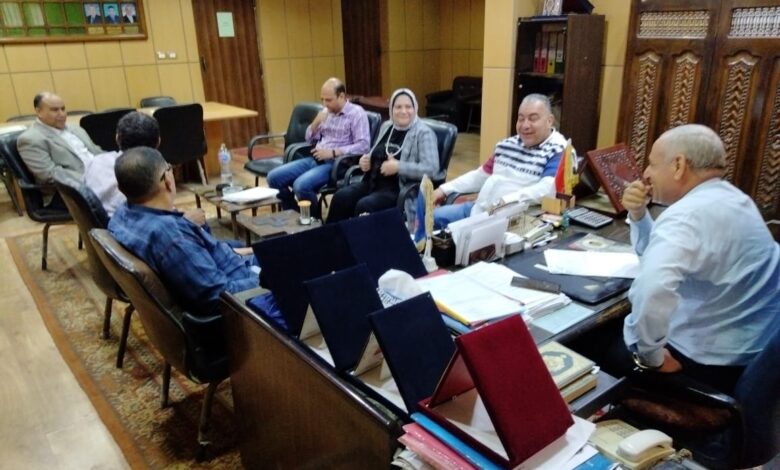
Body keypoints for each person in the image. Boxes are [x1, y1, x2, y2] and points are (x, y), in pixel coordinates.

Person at [618, 124, 780, 394]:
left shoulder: (685, 217)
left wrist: (651, 357)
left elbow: (652, 289)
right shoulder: (737, 199)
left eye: (652, 164)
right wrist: (638, 215)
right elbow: (653, 260)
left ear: (679, 165)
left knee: (592, 345)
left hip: (713, 366)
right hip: (757, 352)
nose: (646, 174)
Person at [108, 147, 258, 317]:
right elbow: (219, 297)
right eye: (169, 168)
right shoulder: (171, 236)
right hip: (242, 291)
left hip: (224, 267)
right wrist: (268, 280)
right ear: (167, 180)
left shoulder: (120, 216)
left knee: (266, 249)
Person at [431, 93, 571, 228]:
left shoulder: (559, 150)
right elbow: (481, 175)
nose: (525, 125)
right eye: (521, 119)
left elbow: (547, 189)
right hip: (479, 210)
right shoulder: (508, 145)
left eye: (533, 119)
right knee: (427, 218)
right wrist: (444, 190)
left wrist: (506, 201)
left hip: (509, 223)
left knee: (450, 238)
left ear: (549, 121)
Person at [326, 88, 440, 224]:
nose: (403, 111)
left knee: (365, 205)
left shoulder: (424, 133)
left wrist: (398, 167)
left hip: (399, 189)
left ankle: (359, 237)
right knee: (341, 197)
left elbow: (432, 169)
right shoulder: (387, 126)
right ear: (391, 109)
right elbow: (375, 151)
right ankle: (334, 236)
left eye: (408, 107)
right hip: (371, 182)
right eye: (398, 107)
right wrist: (366, 160)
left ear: (415, 108)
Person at [266, 77, 370, 219]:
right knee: (273, 177)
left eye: (328, 100)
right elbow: (309, 139)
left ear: (341, 96)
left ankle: (314, 222)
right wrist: (315, 123)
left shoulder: (356, 114)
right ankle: (295, 214)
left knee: (301, 186)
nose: (324, 104)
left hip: (338, 164)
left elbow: (363, 146)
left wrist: (333, 152)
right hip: (315, 158)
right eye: (322, 99)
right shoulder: (325, 112)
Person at [18, 91, 103, 208]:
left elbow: (97, 152)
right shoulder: (30, 139)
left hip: (98, 178)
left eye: (63, 109)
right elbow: (49, 175)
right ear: (39, 112)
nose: (62, 114)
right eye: (55, 110)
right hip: (67, 193)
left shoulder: (76, 129)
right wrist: (92, 179)